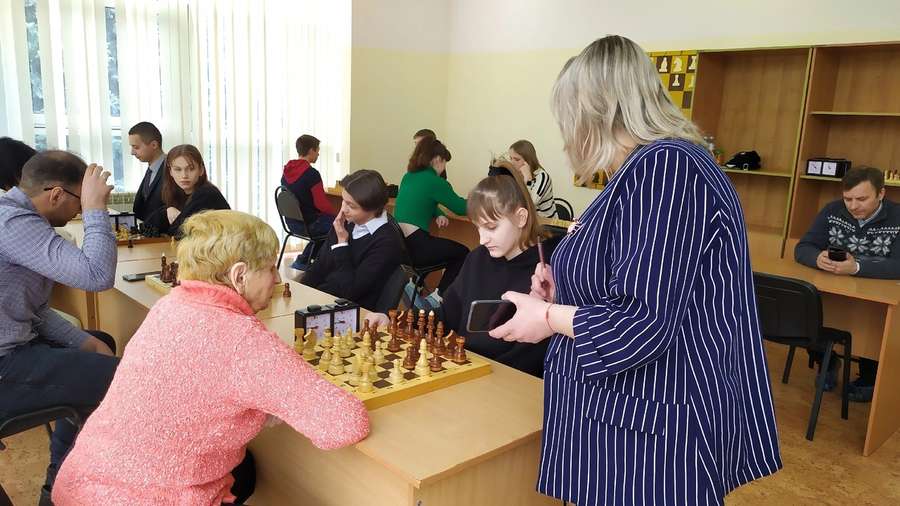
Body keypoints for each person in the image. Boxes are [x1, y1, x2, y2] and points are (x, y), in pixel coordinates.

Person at [487, 36, 782, 504]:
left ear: (595, 111)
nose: (567, 136)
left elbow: (642, 322)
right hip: (627, 414)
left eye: (569, 118)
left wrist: (547, 318)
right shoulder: (642, 172)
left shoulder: (666, 170)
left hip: (651, 429)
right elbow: (635, 275)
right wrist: (564, 289)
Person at [52, 210, 370, 506]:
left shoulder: (170, 305)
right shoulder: (244, 342)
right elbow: (345, 424)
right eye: (271, 268)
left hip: (81, 481)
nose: (277, 279)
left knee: (245, 470)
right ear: (239, 275)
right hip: (148, 498)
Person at [0, 151, 119, 504]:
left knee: (99, 341)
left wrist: (85, 343)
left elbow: (34, 310)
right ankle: (62, 487)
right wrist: (97, 209)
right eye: (78, 202)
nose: (79, 212)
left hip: (15, 344)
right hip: (5, 363)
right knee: (120, 378)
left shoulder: (16, 217)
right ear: (55, 194)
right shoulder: (14, 224)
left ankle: (58, 483)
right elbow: (97, 276)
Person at [367, 173, 552, 377]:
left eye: (491, 227)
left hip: (510, 379)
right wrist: (394, 320)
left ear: (521, 217)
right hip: (469, 367)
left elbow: (532, 355)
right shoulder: (478, 258)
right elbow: (446, 315)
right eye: (478, 228)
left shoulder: (547, 274)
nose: (482, 239)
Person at [795, 165, 900, 401]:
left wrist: (857, 268)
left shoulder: (897, 217)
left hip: (877, 299)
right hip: (834, 291)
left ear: (881, 193)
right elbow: (803, 247)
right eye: (847, 199)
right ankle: (827, 361)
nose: (853, 206)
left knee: (874, 326)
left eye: (861, 199)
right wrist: (817, 258)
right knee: (808, 307)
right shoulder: (832, 210)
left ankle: (869, 376)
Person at [301, 169, 405, 312]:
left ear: (372, 208)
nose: (343, 209)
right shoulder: (347, 222)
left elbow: (349, 292)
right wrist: (301, 291)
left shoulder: (387, 241)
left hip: (350, 311)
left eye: (351, 205)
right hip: (323, 298)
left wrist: (342, 244)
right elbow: (320, 266)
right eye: (344, 201)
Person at [393, 137, 469, 295]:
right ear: (437, 159)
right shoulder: (435, 181)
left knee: (436, 246)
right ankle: (438, 297)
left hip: (401, 246)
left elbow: (424, 200)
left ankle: (415, 286)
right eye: (445, 162)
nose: (444, 167)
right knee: (463, 253)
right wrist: (483, 199)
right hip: (418, 247)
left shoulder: (408, 177)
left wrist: (439, 213)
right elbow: (461, 208)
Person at [145, 144, 229, 237]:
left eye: (191, 169)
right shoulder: (179, 194)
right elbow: (147, 227)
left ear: (201, 170)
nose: (184, 175)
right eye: (178, 169)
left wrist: (168, 214)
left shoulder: (207, 193)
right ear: (170, 172)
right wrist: (168, 210)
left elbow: (178, 232)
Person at [281, 134, 336, 270]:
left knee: (329, 226)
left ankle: (306, 260)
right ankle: (308, 261)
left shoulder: (286, 174)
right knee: (339, 225)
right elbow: (321, 205)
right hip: (309, 225)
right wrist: (338, 215)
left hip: (291, 223)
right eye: (317, 151)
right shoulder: (312, 174)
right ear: (311, 150)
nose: (318, 154)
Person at [128, 122, 167, 223]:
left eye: (136, 147)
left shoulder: (173, 169)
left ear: (154, 145)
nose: (132, 152)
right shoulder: (151, 169)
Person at [509, 139, 557, 218]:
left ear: (528, 161)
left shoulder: (542, 176)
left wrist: (528, 180)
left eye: (517, 159)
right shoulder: (516, 175)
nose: (512, 163)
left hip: (545, 221)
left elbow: (529, 204)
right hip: (528, 219)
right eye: (511, 158)